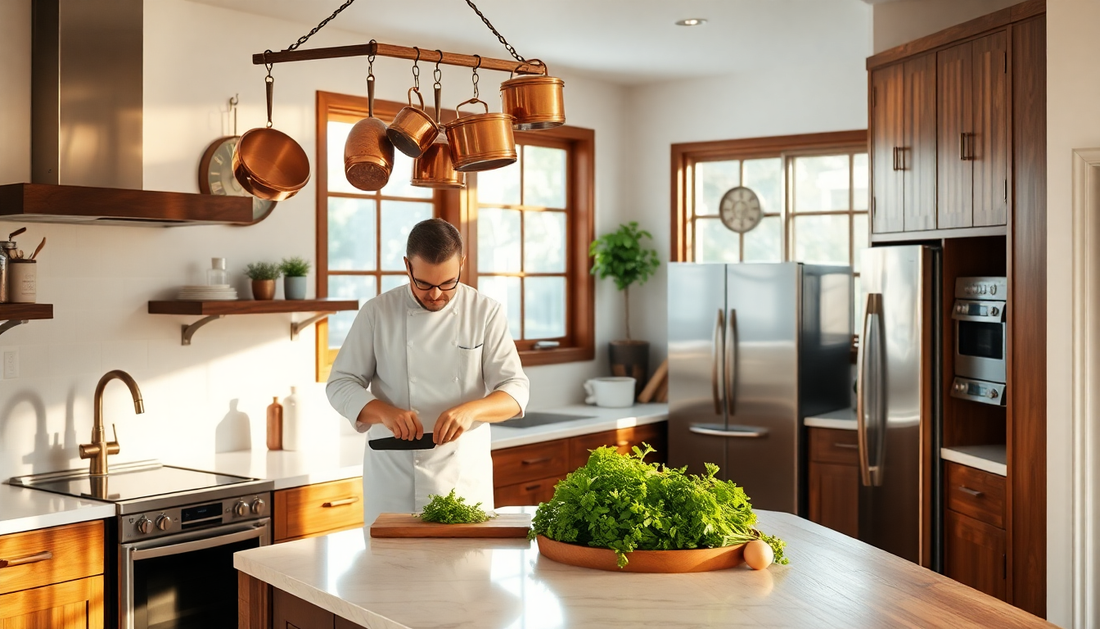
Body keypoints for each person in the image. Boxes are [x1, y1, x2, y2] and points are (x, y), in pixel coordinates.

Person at [326, 218, 529, 526]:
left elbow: (515, 389)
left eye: (448, 283)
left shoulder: (485, 312)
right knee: (390, 570)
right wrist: (383, 412)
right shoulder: (377, 312)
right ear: (407, 266)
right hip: (394, 479)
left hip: (461, 477)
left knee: (464, 571)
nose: (436, 295)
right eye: (424, 284)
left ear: (462, 263)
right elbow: (340, 384)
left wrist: (472, 410)